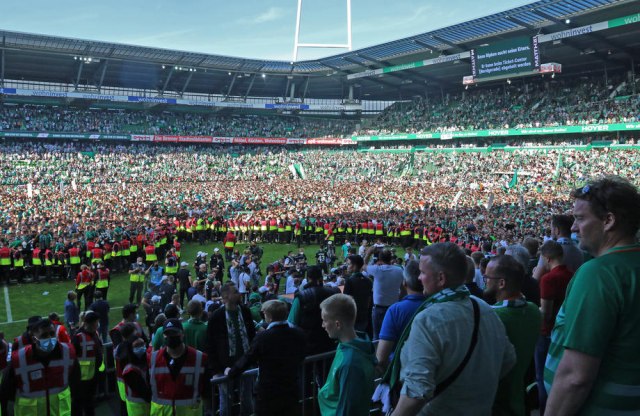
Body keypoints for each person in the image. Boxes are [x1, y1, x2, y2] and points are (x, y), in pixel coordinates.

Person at [545, 177, 640, 415]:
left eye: (579, 218)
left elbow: (576, 377)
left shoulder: (599, 274)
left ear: (608, 221)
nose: (574, 228)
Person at [390, 243, 516, 415]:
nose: (419, 278)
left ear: (441, 278)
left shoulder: (428, 319)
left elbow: (416, 391)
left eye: (423, 272)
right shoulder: (485, 309)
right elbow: (508, 359)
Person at [225, 300, 307, 416]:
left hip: (268, 393)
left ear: (268, 316)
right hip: (291, 388)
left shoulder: (263, 337)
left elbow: (248, 359)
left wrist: (231, 372)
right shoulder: (298, 333)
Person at [484, 255, 541, 416]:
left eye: (487, 277)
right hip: (519, 399)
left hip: (495, 404)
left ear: (501, 283)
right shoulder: (533, 311)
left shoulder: (490, 316)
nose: (485, 280)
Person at [0, 318, 80, 416]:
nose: (50, 338)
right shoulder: (18, 359)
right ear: (34, 339)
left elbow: (76, 383)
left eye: (52, 334)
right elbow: (5, 391)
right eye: (44, 335)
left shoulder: (68, 352)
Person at [318, 293, 377, 416]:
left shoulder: (350, 363)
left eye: (324, 320)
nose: (323, 325)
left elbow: (348, 410)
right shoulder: (349, 345)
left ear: (337, 324)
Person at [534, 240, 574, 414]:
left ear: (547, 258)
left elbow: (546, 313)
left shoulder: (548, 279)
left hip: (547, 333)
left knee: (542, 376)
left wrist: (533, 310)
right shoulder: (573, 274)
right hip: (566, 331)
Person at [207, 283, 256, 416]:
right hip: (224, 368)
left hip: (246, 364)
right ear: (226, 296)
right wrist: (217, 369)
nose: (239, 293)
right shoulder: (216, 317)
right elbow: (210, 346)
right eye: (235, 292)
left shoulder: (245, 311)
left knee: (247, 398)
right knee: (226, 402)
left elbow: (252, 336)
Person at [148, 318, 209, 416]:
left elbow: (206, 391)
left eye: (174, 333)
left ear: (182, 333)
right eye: (167, 333)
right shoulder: (153, 359)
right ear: (163, 335)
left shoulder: (200, 358)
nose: (171, 336)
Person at [375, 260, 425, 377]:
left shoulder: (395, 310)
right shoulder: (438, 305)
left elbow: (381, 358)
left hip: (402, 376)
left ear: (404, 283)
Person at [288, 265, 340, 356]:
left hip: (308, 344)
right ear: (321, 277)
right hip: (328, 341)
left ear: (308, 278)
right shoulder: (333, 292)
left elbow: (291, 323)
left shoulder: (301, 296)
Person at [364, 248, 404, 340]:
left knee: (377, 336)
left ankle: (378, 354)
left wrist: (369, 253)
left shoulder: (377, 270)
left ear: (379, 259)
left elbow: (364, 265)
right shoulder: (399, 270)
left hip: (379, 308)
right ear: (391, 258)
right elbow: (403, 290)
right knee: (393, 334)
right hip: (394, 307)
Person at [71, 310, 103, 416]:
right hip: (80, 379)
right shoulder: (78, 337)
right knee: (78, 405)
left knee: (90, 404)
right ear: (90, 323)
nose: (98, 324)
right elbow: (72, 357)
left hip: (92, 376)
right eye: (96, 322)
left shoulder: (95, 334)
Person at [342, 254, 373, 333]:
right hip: (365, 315)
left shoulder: (350, 281)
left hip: (353, 316)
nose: (347, 266)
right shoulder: (368, 281)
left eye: (349, 264)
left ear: (355, 266)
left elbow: (346, 300)